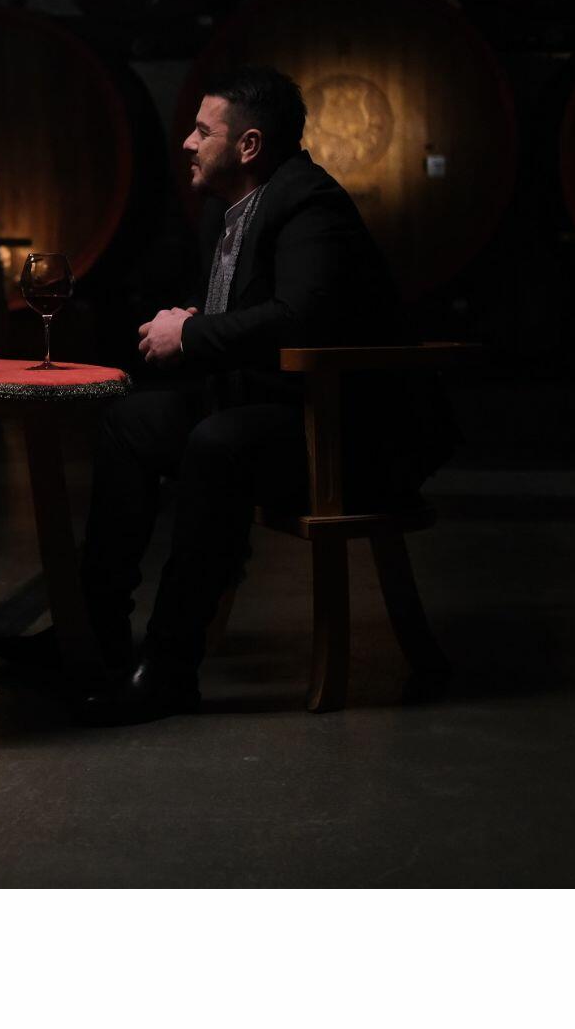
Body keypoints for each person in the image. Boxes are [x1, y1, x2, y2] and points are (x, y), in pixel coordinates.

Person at [71, 66, 453, 724]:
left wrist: (192, 334)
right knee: (130, 420)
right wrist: (197, 320)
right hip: (274, 408)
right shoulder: (225, 208)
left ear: (248, 145)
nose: (187, 143)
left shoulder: (309, 203)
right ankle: (92, 638)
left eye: (203, 131)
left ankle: (169, 668)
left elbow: (300, 316)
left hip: (347, 438)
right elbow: (252, 312)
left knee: (217, 443)